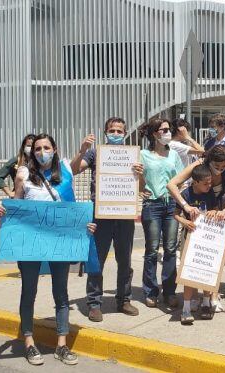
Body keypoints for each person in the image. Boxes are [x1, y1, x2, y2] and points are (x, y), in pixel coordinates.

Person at [0, 133, 88, 366]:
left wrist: (85, 225)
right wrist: (5, 212)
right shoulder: (24, 174)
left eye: (46, 147)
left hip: (60, 241)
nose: (41, 152)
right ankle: (29, 342)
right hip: (31, 242)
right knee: (29, 291)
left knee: (61, 293)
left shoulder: (65, 170)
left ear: (55, 149)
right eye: (37, 148)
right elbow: (17, 206)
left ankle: (61, 344)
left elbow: (73, 208)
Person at [71, 117, 145, 322]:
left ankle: (124, 300)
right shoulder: (96, 153)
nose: (115, 134)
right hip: (100, 213)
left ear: (125, 134)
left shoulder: (133, 156)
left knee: (125, 259)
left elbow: (141, 189)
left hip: (124, 214)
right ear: (105, 133)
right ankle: (94, 303)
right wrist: (82, 149)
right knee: (97, 259)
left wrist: (141, 175)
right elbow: (74, 170)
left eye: (119, 131)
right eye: (112, 130)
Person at [167, 145, 225, 312]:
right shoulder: (198, 165)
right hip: (196, 213)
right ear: (209, 161)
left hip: (217, 215)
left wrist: (224, 211)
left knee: (214, 258)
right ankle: (192, 296)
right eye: (216, 166)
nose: (220, 170)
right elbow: (172, 184)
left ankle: (213, 296)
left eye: (223, 166)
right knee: (194, 256)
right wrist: (185, 207)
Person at [139, 118, 185, 308]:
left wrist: (175, 193)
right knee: (151, 250)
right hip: (152, 204)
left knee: (171, 249)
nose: (167, 132)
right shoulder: (142, 155)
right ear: (154, 134)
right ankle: (150, 291)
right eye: (163, 129)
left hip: (170, 205)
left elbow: (181, 178)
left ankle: (169, 291)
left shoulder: (174, 154)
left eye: (168, 129)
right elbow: (137, 179)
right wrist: (141, 187)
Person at [173, 164, 221, 324]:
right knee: (189, 272)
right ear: (195, 182)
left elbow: (215, 209)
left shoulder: (211, 194)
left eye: (210, 183)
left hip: (207, 238)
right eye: (205, 183)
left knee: (207, 268)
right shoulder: (186, 194)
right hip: (190, 236)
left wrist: (214, 212)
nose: (209, 186)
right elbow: (176, 215)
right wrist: (185, 222)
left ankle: (206, 303)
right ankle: (186, 308)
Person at [0, 134, 35, 198]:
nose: (30, 149)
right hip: (19, 197)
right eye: (28, 146)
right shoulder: (16, 160)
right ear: (23, 146)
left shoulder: (40, 162)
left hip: (35, 197)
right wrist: (9, 192)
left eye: (33, 147)